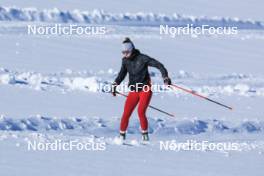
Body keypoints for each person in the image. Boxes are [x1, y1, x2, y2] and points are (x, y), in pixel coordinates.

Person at [112, 37, 171, 141]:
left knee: (140, 112)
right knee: (126, 114)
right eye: (123, 52)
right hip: (134, 90)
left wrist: (165, 77)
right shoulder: (125, 61)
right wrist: (115, 84)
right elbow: (122, 74)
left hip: (145, 89)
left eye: (126, 52)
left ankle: (145, 136)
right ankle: (121, 136)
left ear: (131, 50)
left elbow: (159, 65)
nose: (124, 55)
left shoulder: (142, 58)